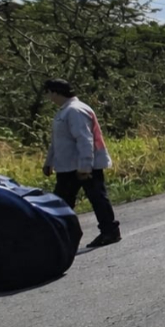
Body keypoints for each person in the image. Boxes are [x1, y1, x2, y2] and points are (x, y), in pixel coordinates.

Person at [41, 79, 121, 248]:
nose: (47, 97)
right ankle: (63, 237)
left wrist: (85, 167)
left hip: (83, 166)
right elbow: (57, 142)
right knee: (61, 203)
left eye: (47, 92)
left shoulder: (75, 110)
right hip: (68, 166)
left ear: (55, 92)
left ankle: (110, 232)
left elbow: (85, 139)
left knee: (97, 199)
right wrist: (49, 162)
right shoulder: (64, 112)